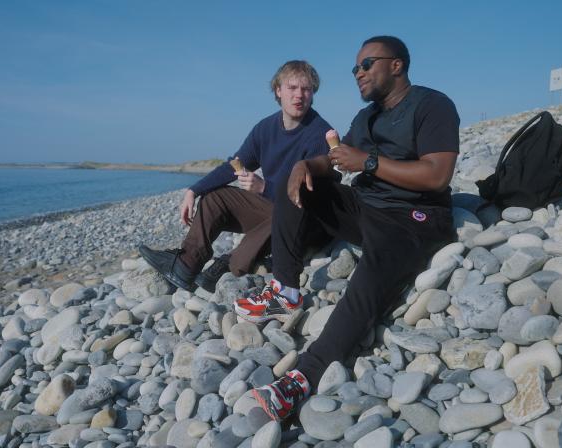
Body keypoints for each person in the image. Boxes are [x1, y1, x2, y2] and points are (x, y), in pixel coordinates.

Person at [234, 36, 460, 421]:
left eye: (367, 64)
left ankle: (304, 376)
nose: (358, 73)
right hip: (366, 206)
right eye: (355, 67)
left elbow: (438, 175)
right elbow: (337, 158)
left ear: (396, 65)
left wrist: (368, 162)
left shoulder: (431, 105)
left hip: (413, 217)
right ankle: (285, 289)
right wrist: (308, 166)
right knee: (296, 182)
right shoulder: (366, 117)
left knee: (370, 277)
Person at [139, 60, 333, 293]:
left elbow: (313, 197)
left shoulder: (320, 133)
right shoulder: (265, 128)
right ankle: (186, 263)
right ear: (278, 91)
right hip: (272, 210)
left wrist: (265, 188)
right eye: (292, 87)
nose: (299, 95)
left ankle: (228, 265)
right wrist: (193, 190)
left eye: (306, 89)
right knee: (215, 198)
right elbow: (234, 166)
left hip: (305, 220)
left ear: (313, 93)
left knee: (280, 219)